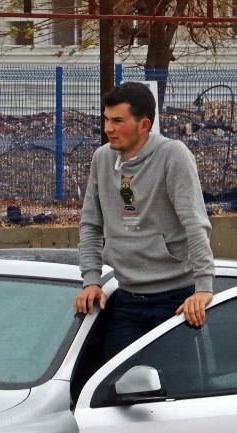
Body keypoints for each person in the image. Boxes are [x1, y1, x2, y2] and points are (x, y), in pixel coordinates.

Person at [74, 81, 215, 359]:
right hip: (125, 298)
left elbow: (195, 222)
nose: (108, 129)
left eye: (117, 121)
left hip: (175, 299)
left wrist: (204, 288)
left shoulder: (173, 155)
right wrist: (91, 280)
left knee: (175, 389)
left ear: (143, 125)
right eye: (105, 119)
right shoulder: (102, 159)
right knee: (116, 388)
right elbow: (90, 225)